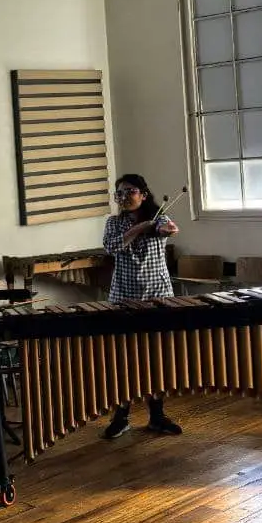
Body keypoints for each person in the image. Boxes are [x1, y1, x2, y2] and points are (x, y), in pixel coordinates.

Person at [101, 173, 184, 440]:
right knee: (124, 360)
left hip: (157, 298)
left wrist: (161, 227)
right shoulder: (113, 223)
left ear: (144, 194)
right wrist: (139, 227)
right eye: (120, 193)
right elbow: (113, 247)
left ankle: (157, 417)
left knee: (156, 359)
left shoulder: (159, 218)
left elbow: (169, 229)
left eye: (130, 192)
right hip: (123, 298)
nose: (124, 197)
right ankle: (121, 417)